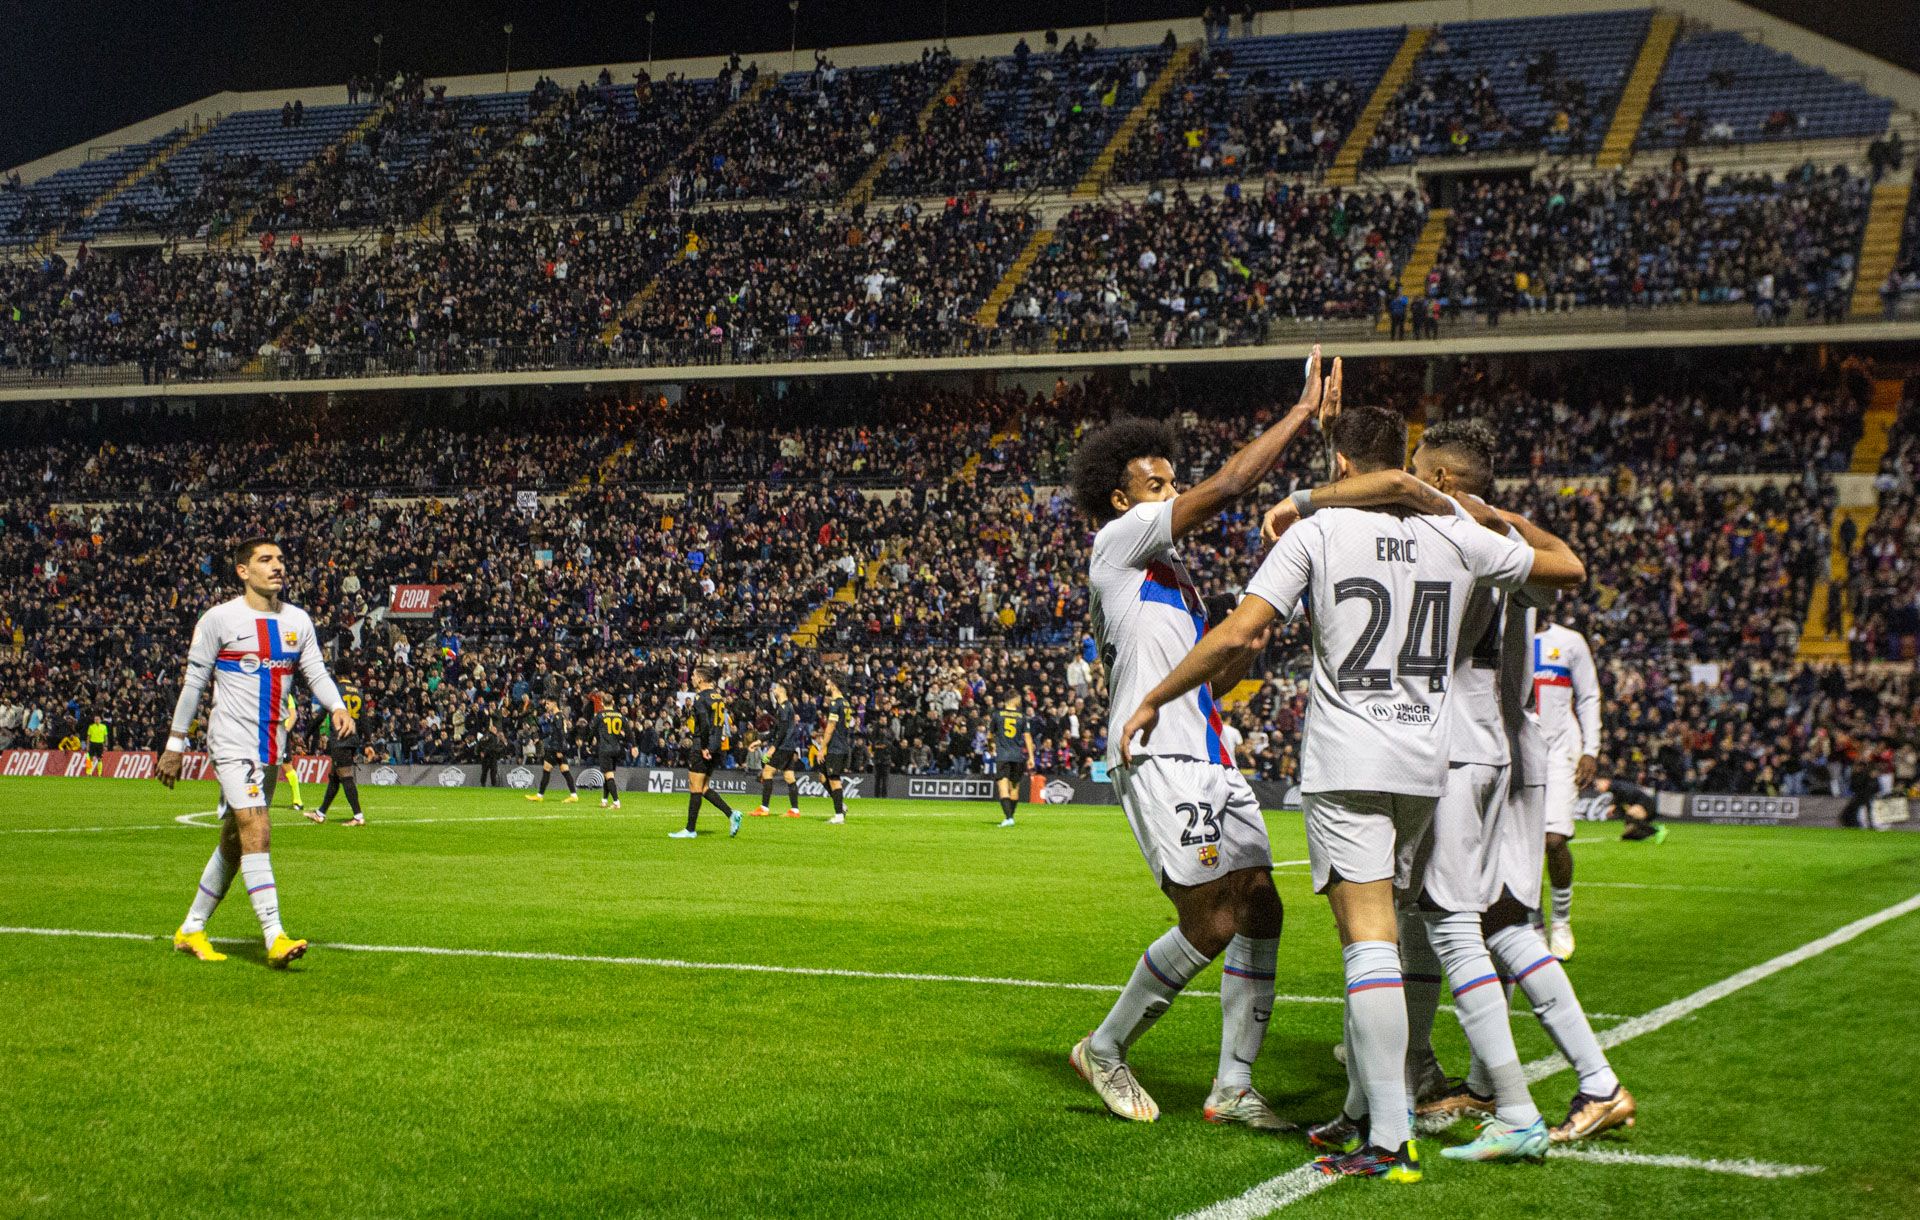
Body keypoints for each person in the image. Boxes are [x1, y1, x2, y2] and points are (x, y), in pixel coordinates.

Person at [1123, 402, 1584, 1181]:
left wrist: (1153, 698)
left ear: (1339, 466)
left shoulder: (1316, 532)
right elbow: (1564, 568)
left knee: (1367, 942)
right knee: (1397, 939)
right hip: (1427, 761)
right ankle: (1376, 1116)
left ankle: (1388, 1139)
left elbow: (1239, 633)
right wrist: (1468, 506)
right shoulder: (1454, 535)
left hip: (1349, 759)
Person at [1064, 346, 1335, 1136]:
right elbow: (1229, 487)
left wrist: (1234, 663)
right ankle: (1106, 1047)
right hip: (1157, 755)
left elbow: (1193, 677)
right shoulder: (1116, 546)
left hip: (1207, 750)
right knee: (1210, 920)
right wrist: (1299, 413)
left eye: (1171, 483)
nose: (1173, 493)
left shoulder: (1173, 577)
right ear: (1122, 500)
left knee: (1261, 907)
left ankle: (1233, 1086)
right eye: (1158, 486)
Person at [1397, 423, 1636, 1146]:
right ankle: (1505, 1082)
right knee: (1500, 921)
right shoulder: (1503, 542)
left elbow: (1570, 569)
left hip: (1476, 745)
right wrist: (1495, 512)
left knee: (1454, 919)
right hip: (1513, 743)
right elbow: (1566, 563)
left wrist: (1478, 511)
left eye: (1415, 471)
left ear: (1439, 480)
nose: (1404, 479)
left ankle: (1574, 1085)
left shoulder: (1457, 537)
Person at [159, 538, 352, 970]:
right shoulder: (220, 619)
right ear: (243, 571)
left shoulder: (297, 620)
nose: (277, 566)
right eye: (266, 560)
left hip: (270, 748)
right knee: (256, 827)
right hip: (230, 742)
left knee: (233, 838)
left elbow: (315, 671)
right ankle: (274, 935)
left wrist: (337, 705)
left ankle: (191, 928)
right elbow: (194, 685)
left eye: (281, 559)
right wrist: (175, 744)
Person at [1534, 617, 1601, 959]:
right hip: (1516, 747)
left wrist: (1591, 749)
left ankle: (1560, 920)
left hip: (1561, 750)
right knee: (1521, 846)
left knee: (1554, 840)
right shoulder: (1501, 632)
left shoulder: (1570, 641)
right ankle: (1532, 923)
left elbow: (1589, 696)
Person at [672, 667, 741, 838]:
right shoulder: (718, 696)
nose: (692, 679)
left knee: (695, 787)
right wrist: (712, 747)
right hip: (717, 746)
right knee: (703, 788)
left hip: (703, 746)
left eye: (694, 676)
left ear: (701, 679)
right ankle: (732, 814)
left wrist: (704, 747)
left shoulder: (700, 697)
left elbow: (703, 724)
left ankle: (690, 830)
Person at [311, 676, 367, 825]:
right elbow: (364, 719)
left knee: (346, 776)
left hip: (340, 738)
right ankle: (320, 813)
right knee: (334, 777)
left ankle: (358, 816)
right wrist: (366, 742)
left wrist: (308, 733)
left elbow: (321, 716)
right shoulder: (358, 692)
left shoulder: (335, 691)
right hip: (353, 738)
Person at [752, 683, 808, 818]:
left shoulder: (783, 707)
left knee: (767, 772)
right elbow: (776, 730)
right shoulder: (786, 707)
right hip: (789, 747)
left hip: (783, 747)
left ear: (782, 691)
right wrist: (760, 741)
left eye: (776, 687)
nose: (773, 689)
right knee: (789, 776)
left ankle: (764, 808)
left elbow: (781, 732)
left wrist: (773, 748)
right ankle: (795, 811)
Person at [814, 677, 856, 825]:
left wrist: (822, 747)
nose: (826, 685)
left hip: (836, 747)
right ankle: (841, 806)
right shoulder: (846, 703)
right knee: (823, 777)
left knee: (834, 779)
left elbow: (831, 727)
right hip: (842, 745)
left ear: (833, 685)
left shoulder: (835, 703)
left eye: (827, 683)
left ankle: (839, 815)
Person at [991, 692, 1035, 827]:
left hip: (1003, 756)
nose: (1020, 701)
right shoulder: (1022, 717)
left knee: (1003, 788)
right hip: (1018, 757)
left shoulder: (997, 715)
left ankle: (1009, 817)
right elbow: (1027, 738)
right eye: (1019, 699)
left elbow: (990, 735)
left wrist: (990, 748)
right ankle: (1010, 817)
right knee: (1014, 789)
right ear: (1014, 699)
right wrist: (1031, 757)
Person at [525, 698, 580, 803]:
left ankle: (539, 795)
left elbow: (560, 734)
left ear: (554, 704)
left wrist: (559, 750)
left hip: (555, 748)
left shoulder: (558, 716)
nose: (546, 706)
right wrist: (539, 738)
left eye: (548, 703)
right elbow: (552, 732)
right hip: (558, 747)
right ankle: (573, 795)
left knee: (547, 770)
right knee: (565, 771)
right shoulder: (558, 716)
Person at [1580, 775, 1664, 842]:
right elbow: (1620, 797)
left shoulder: (1617, 786)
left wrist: (1623, 806)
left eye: (1598, 785)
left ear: (1605, 781)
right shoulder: (1615, 787)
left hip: (1646, 804)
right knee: (1626, 836)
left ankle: (1657, 830)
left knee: (1630, 815)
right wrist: (1615, 806)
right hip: (1641, 804)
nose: (1597, 788)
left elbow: (1628, 794)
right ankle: (1638, 835)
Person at [594, 700, 629, 809]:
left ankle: (616, 802)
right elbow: (628, 731)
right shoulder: (620, 715)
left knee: (609, 775)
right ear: (613, 703)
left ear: (603, 703)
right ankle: (604, 801)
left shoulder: (600, 715)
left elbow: (593, 730)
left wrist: (590, 741)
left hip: (605, 748)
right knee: (607, 774)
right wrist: (633, 745)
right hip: (616, 748)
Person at [278, 689, 306, 812]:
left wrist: (285, 731)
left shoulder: (286, 695)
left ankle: (298, 801)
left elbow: (293, 715)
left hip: (280, 734)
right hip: (266, 734)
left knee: (287, 766)